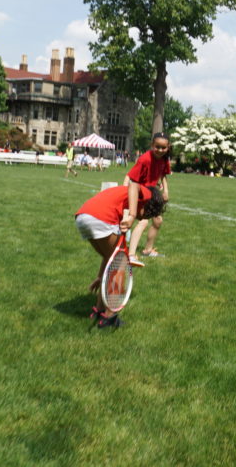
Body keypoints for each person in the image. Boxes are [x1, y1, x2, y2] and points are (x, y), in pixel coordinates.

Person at [75, 184, 166, 328]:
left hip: (83, 217)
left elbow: (108, 258)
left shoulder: (124, 201)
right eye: (146, 214)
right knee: (121, 264)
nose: (143, 218)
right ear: (148, 204)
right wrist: (132, 216)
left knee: (111, 258)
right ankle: (109, 317)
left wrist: (100, 277)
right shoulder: (147, 193)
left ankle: (99, 310)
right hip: (101, 217)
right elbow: (134, 186)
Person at [124, 133, 172, 267]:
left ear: (168, 147)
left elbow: (163, 175)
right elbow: (131, 178)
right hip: (140, 193)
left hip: (152, 194)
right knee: (144, 221)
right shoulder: (144, 159)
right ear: (152, 145)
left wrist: (166, 191)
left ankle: (147, 250)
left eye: (163, 148)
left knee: (157, 220)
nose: (160, 150)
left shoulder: (164, 159)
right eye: (157, 147)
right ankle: (131, 255)